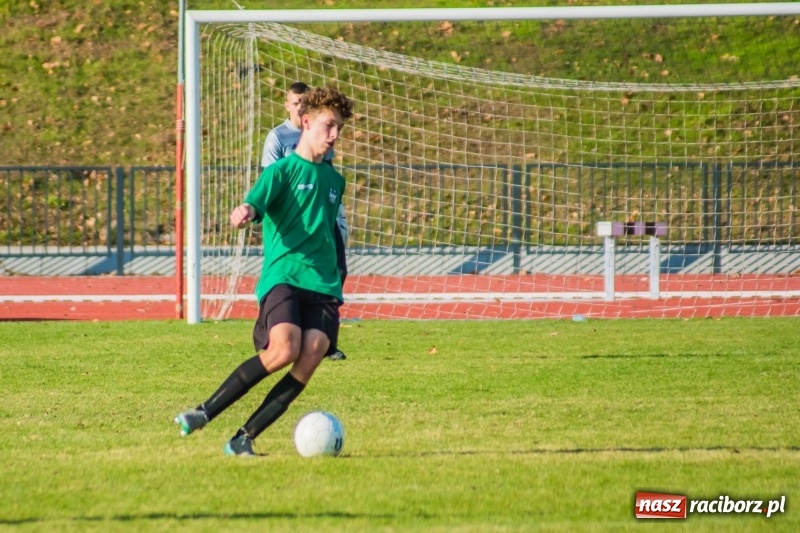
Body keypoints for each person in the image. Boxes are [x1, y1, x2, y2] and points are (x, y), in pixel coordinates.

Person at [174, 87, 355, 456]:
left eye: (338, 128)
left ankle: (243, 438)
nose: (334, 135)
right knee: (284, 348)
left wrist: (339, 278)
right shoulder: (282, 171)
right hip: (284, 276)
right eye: (328, 125)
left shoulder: (335, 182)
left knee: (313, 351)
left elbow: (330, 235)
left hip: (321, 282)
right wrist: (245, 212)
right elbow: (254, 203)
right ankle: (203, 412)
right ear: (306, 123)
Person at [262, 81, 349, 361]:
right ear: (287, 105)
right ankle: (283, 331)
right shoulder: (277, 137)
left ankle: (325, 340)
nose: (299, 107)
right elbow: (271, 175)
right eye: (295, 103)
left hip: (321, 214)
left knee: (338, 267)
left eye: (303, 102)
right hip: (293, 220)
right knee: (288, 276)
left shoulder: (324, 134)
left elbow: (326, 168)